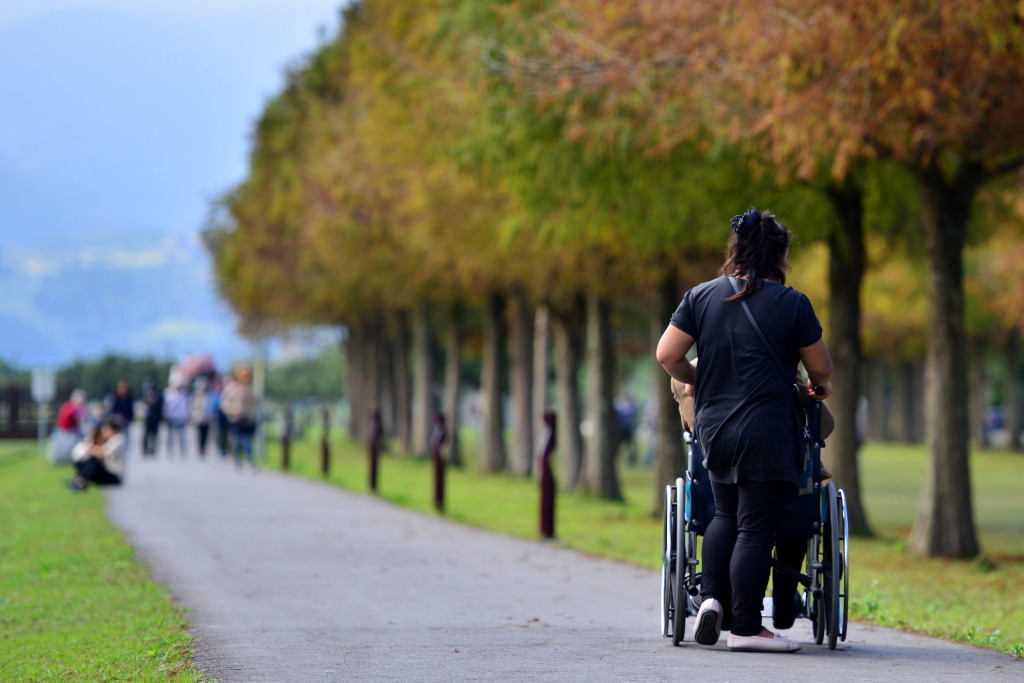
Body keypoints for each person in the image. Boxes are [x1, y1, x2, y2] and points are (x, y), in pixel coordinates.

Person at [656, 208, 833, 653]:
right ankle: (749, 628)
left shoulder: (700, 296)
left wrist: (703, 379)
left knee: (725, 516)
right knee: (755, 528)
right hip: (767, 429)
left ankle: (713, 599)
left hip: (714, 426)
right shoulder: (793, 303)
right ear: (780, 255)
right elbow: (821, 369)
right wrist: (815, 388)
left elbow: (667, 355)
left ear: (734, 250)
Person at [67, 420, 125, 490]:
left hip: (114, 475)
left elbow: (104, 454)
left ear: (111, 430)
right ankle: (79, 481)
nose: (103, 432)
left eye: (105, 430)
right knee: (80, 463)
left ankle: (81, 482)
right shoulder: (110, 441)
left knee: (93, 460)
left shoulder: (117, 440)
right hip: (107, 471)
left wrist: (90, 449)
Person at [220, 364, 256, 468]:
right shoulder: (231, 389)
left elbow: (254, 403)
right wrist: (233, 411)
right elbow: (224, 404)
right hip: (235, 419)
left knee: (247, 441)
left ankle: (249, 460)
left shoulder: (248, 389)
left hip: (246, 419)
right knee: (236, 441)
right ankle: (237, 460)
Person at [50, 388, 88, 465]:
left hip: (65, 432)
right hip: (68, 433)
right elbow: (82, 420)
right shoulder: (73, 408)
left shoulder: (67, 405)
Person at [163, 381, 190, 457]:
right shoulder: (169, 395)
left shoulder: (184, 395)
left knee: (181, 436)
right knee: (170, 436)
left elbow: (185, 407)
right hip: (171, 417)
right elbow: (166, 407)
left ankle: (182, 451)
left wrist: (185, 416)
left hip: (180, 417)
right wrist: (166, 416)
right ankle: (169, 451)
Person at [109, 379, 135, 451]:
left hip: (125, 422)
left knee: (125, 441)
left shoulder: (129, 398)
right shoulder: (114, 397)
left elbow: (130, 411)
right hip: (115, 424)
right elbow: (111, 410)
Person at [190, 377, 212, 457]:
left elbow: (210, 407)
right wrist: (193, 416)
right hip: (198, 418)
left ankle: (204, 449)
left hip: (206, 418)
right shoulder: (195, 396)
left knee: (205, 435)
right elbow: (193, 407)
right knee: (199, 434)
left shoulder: (208, 396)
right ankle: (200, 449)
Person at [142, 380, 163, 456]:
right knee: (146, 434)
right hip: (148, 417)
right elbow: (144, 402)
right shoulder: (146, 393)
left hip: (155, 417)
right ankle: (145, 449)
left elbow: (159, 404)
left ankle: (152, 449)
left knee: (154, 435)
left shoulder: (158, 394)